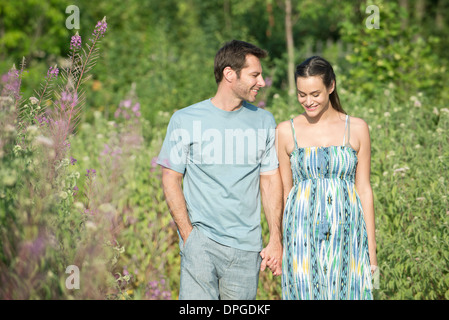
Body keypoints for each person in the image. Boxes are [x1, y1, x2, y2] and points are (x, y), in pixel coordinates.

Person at [157, 40, 283, 300]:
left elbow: (270, 181)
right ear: (229, 74)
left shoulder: (265, 121)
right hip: (200, 243)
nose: (261, 82)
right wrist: (188, 236)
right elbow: (170, 179)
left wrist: (275, 239)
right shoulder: (185, 119)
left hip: (247, 249)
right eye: (254, 75)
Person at [277, 56, 378, 300]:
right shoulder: (285, 131)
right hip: (301, 235)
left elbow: (363, 189)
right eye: (302, 94)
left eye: (315, 94)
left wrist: (372, 255)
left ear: (331, 86)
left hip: (349, 235)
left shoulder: (356, 128)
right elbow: (285, 192)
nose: (308, 101)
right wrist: (280, 244)